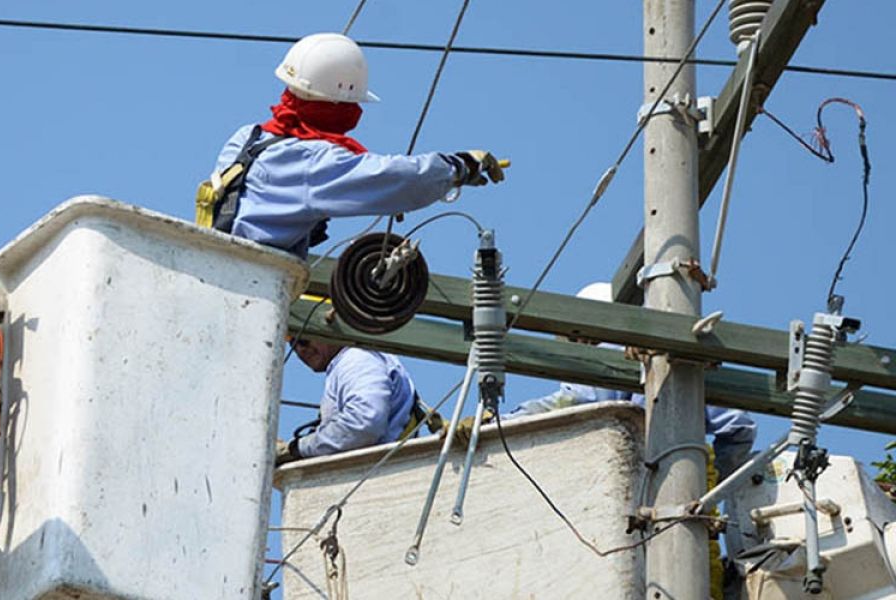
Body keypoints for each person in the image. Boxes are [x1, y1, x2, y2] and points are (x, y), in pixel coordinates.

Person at [202, 32, 504, 258]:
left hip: (215, 264)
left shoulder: (248, 138)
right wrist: (460, 165)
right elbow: (393, 177)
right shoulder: (314, 161)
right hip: (253, 279)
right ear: (338, 103)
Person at [505, 282, 757, 480]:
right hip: (680, 496)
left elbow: (560, 405)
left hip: (629, 493)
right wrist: (713, 480)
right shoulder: (688, 366)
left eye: (580, 337)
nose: (580, 345)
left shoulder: (599, 371)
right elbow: (739, 428)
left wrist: (497, 423)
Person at [276, 338, 418, 466]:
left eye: (303, 340)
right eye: (293, 344)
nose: (300, 349)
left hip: (378, 474)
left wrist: (298, 449)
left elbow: (364, 422)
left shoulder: (356, 358)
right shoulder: (351, 361)